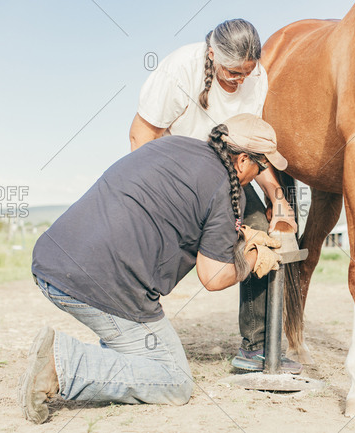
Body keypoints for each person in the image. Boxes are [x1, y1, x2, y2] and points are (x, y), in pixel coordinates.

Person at [21, 114, 286, 424]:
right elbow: (213, 277)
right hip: (100, 284)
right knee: (175, 381)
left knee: (140, 356)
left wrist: (232, 233)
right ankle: (62, 365)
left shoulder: (172, 144)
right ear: (242, 161)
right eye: (262, 166)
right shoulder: (228, 191)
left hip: (53, 260)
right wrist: (257, 257)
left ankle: (90, 358)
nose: (260, 173)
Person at [128, 18, 299, 373]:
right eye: (233, 72)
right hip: (175, 170)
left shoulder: (257, 79)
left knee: (259, 233)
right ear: (211, 54)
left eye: (246, 73)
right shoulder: (179, 69)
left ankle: (256, 347)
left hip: (228, 172)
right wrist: (152, 197)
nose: (240, 81)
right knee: (152, 247)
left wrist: (277, 197)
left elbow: (253, 148)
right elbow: (141, 134)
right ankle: (130, 336)